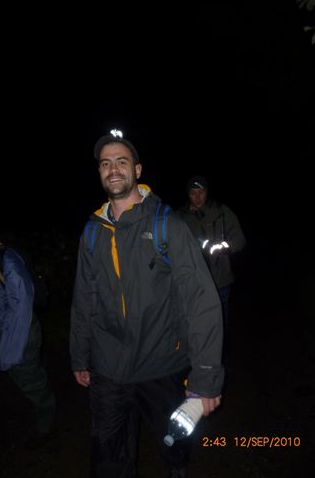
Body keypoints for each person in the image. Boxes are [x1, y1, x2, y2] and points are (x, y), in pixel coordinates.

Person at [69, 130, 224, 478]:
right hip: (109, 370)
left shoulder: (167, 224)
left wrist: (206, 376)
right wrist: (79, 355)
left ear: (137, 170)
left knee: (175, 446)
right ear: (99, 172)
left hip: (162, 365)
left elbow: (201, 302)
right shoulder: (92, 232)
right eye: (105, 163)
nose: (113, 169)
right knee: (108, 460)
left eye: (121, 162)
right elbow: (84, 299)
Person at [178, 175, 246, 366]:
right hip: (192, 285)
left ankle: (218, 365)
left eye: (201, 192)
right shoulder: (180, 218)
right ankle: (194, 366)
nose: (198, 197)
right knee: (193, 328)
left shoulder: (222, 213)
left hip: (220, 281)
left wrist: (225, 247)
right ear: (188, 194)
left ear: (207, 192)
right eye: (193, 192)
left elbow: (240, 239)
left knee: (220, 327)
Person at [0, 239, 56, 449]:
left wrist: (8, 352)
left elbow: (21, 307)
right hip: (3, 331)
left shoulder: (7, 259)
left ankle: (45, 426)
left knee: (32, 383)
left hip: (19, 333)